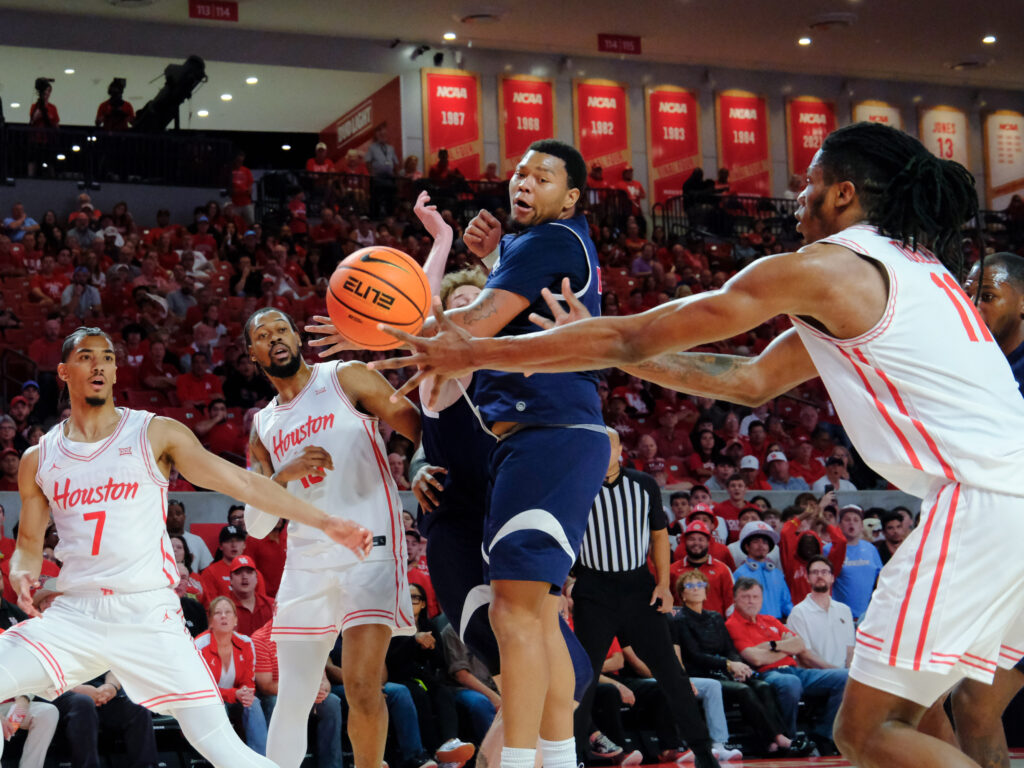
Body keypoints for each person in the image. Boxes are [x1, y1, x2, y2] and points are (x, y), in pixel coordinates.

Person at [373, 120, 1024, 768]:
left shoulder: (828, 267)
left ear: (845, 194)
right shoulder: (917, 272)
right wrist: (614, 346)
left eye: (809, 184)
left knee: (865, 733)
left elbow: (636, 337)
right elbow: (749, 380)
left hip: (980, 505)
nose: (797, 198)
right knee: (964, 709)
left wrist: (477, 347)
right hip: (1008, 504)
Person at [0, 326, 372, 768]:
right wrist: (21, 572)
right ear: (64, 371)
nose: (99, 364)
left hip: (147, 614)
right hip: (73, 613)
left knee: (219, 745)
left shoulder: (154, 433)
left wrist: (325, 521)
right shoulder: (39, 458)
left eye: (107, 357)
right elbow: (27, 545)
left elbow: (241, 481)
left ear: (117, 371)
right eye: (85, 357)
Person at [363, 140, 616, 768]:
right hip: (530, 445)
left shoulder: (553, 242)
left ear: (572, 196)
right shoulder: (534, 250)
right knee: (521, 617)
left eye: (543, 176)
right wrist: (493, 253)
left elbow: (469, 328)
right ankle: (552, 759)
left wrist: (370, 323)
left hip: (550, 434)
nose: (523, 182)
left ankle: (526, 758)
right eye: (519, 173)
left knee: (517, 616)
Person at [243, 306, 421, 768]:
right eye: (264, 335)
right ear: (252, 352)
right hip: (307, 559)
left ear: (299, 339)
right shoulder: (262, 426)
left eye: (282, 329)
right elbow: (257, 525)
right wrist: (281, 476)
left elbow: (419, 429)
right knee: (295, 695)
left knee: (363, 685)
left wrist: (422, 471)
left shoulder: (346, 377)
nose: (275, 337)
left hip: (370, 546)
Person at [571, 427, 714, 764]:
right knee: (583, 675)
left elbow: (660, 537)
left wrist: (663, 584)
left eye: (611, 444)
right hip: (593, 590)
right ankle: (573, 754)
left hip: (639, 589)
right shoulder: (576, 484)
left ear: (621, 449)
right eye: (598, 444)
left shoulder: (644, 484)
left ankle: (704, 752)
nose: (604, 451)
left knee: (670, 672)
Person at [671, 569, 797, 757]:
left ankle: (770, 742)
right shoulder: (679, 620)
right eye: (690, 586)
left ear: (706, 591)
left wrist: (739, 667)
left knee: (762, 686)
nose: (696, 589)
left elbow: (730, 649)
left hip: (725, 670)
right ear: (682, 593)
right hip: (701, 673)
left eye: (700, 585)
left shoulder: (715, 617)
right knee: (744, 691)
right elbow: (695, 655)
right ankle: (777, 737)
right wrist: (729, 665)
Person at [726, 579, 848, 755]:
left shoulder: (769, 620)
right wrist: (785, 648)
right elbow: (754, 658)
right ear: (735, 599)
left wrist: (771, 645)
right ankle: (788, 740)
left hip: (795, 670)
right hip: (765, 674)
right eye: (745, 597)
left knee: (846, 677)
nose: (751, 601)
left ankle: (824, 735)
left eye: (755, 596)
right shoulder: (732, 624)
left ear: (762, 599)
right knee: (789, 682)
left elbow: (799, 645)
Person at [196, 596, 268, 753]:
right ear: (210, 621)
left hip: (236, 699)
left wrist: (245, 693)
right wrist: (234, 693)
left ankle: (261, 760)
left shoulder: (246, 643)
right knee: (219, 707)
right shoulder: (200, 646)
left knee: (253, 702)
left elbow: (249, 682)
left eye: (228, 612)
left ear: (235, 620)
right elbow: (204, 690)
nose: (223, 616)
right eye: (218, 613)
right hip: (209, 703)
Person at [786, 556, 855, 669]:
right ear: (807, 578)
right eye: (814, 572)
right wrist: (837, 673)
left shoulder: (844, 610)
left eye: (824, 572)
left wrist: (849, 674)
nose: (819, 576)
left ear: (832, 578)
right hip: (816, 674)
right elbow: (805, 657)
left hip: (843, 674)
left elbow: (850, 650)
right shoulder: (799, 612)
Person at [668, 520, 732, 615]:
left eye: (701, 539)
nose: (696, 543)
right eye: (692, 539)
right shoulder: (672, 570)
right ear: (685, 542)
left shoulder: (722, 569)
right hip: (681, 626)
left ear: (708, 542)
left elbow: (730, 605)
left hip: (714, 626)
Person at [731, 520, 792, 620]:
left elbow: (786, 603)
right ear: (747, 546)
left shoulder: (777, 573)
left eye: (765, 542)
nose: (761, 545)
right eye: (756, 541)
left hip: (777, 625)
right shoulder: (739, 574)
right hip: (752, 624)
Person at [831, 505, 881, 621]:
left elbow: (880, 578)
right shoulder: (830, 549)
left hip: (868, 616)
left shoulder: (871, 549)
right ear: (840, 525)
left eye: (856, 520)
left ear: (861, 525)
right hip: (840, 616)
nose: (851, 523)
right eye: (847, 520)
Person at [227, 555, 275, 636]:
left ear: (256, 578)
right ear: (231, 580)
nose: (244, 577)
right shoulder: (223, 608)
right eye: (238, 573)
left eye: (249, 572)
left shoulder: (271, 605)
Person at [166, 498, 214, 571]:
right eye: (170, 514)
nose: (175, 517)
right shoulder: (157, 540)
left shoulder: (197, 540)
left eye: (178, 513)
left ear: (184, 517)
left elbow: (206, 570)